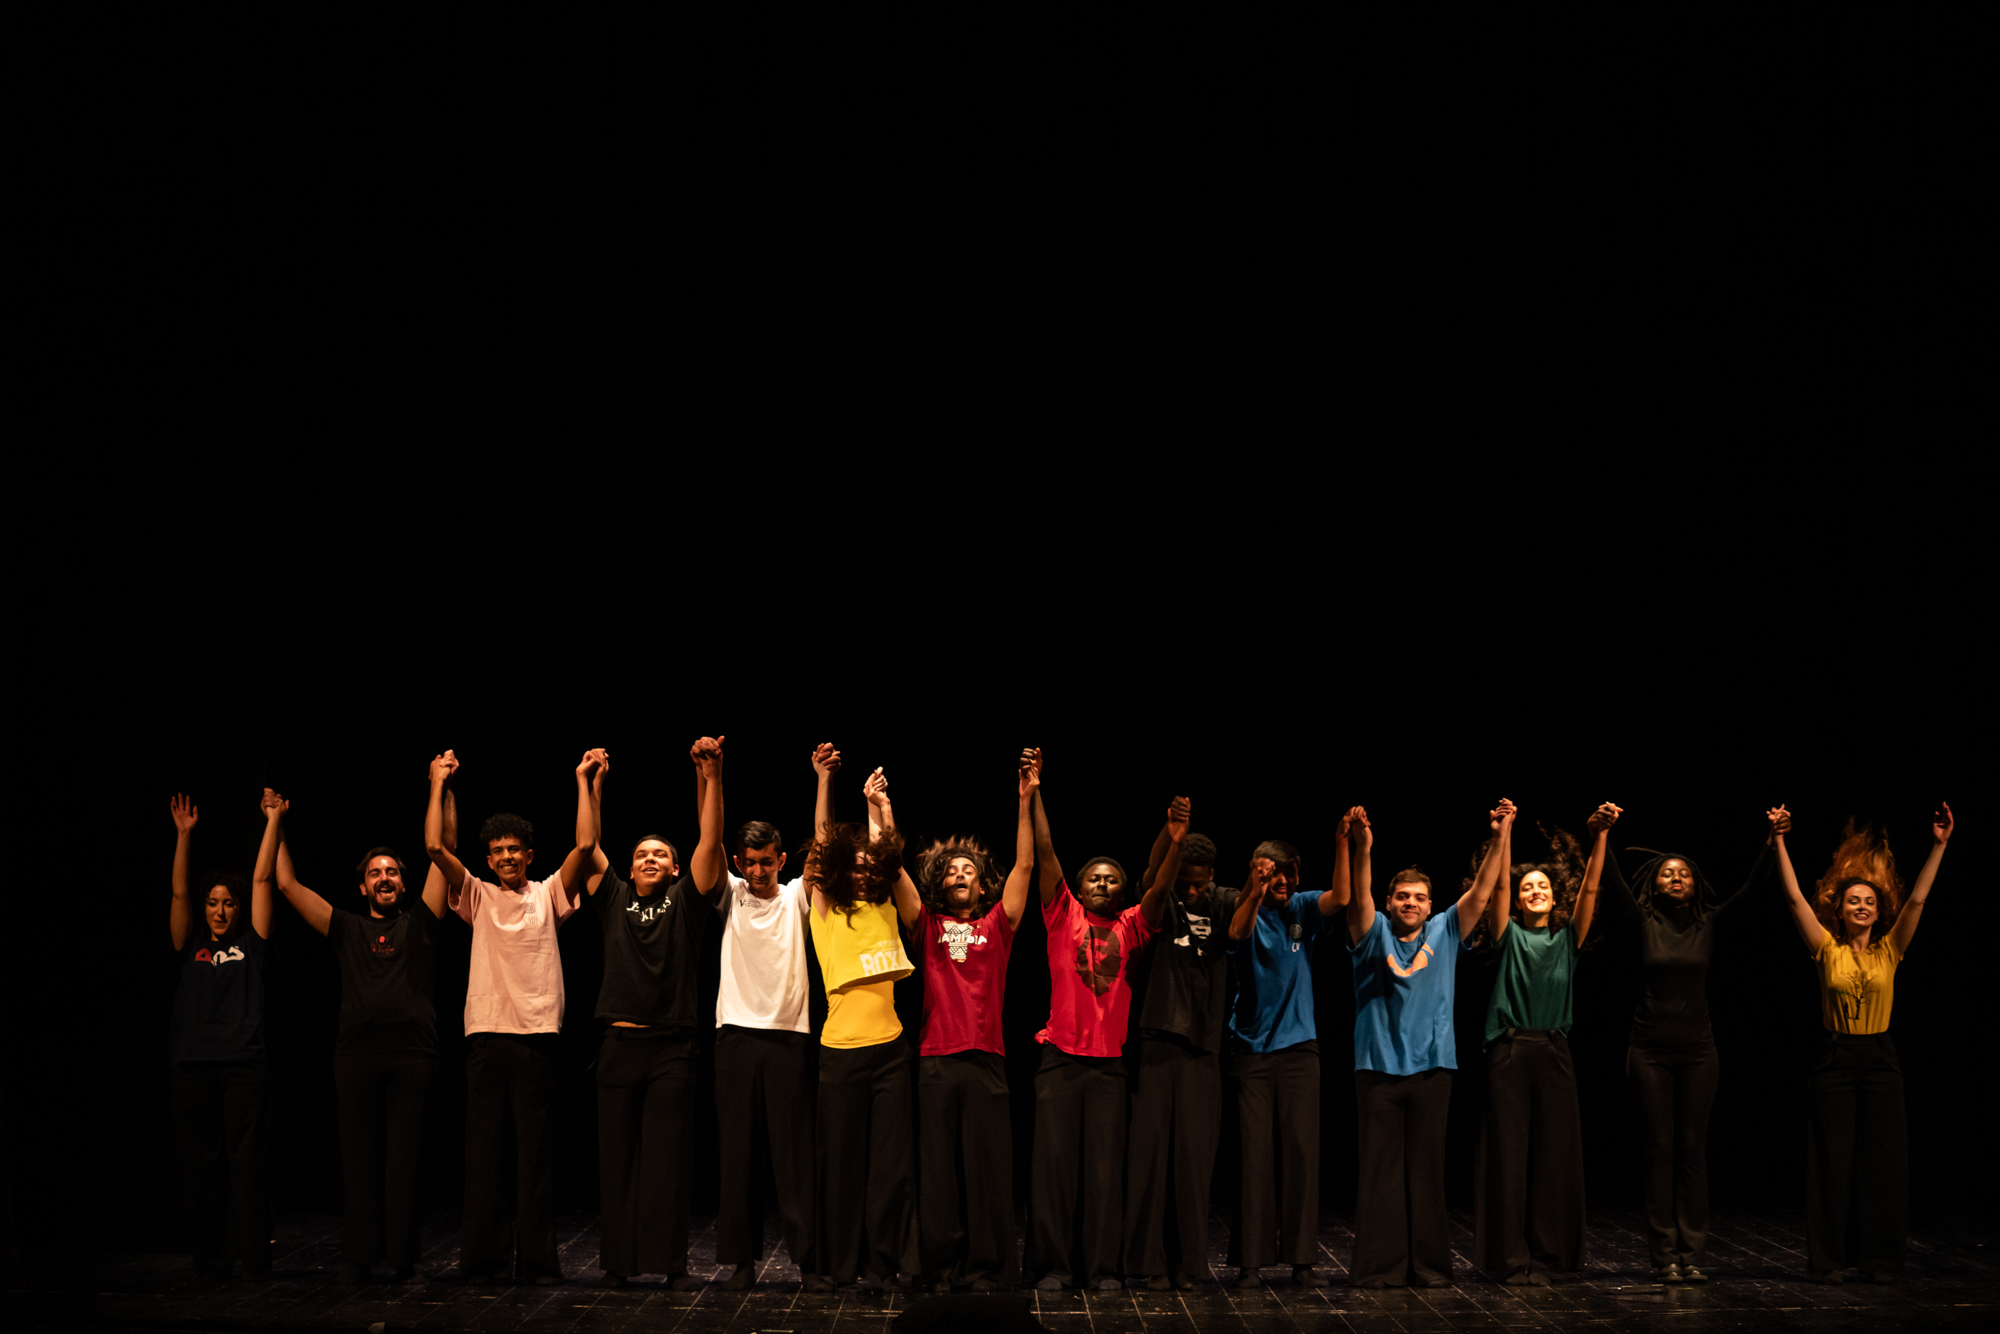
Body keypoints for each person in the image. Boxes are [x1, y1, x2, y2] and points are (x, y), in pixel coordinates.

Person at [267, 775, 455, 1284]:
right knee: (358, 1161)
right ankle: (360, 1256)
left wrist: (440, 787)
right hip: (356, 1057)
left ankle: (402, 1258)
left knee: (404, 1162)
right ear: (363, 886)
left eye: (392, 872)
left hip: (413, 1055)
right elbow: (287, 885)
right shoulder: (345, 926)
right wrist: (276, 823)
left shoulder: (421, 920)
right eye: (375, 873)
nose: (384, 878)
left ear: (404, 884)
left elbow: (445, 849)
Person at [425, 747, 600, 1286]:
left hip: (537, 1037)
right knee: (485, 1155)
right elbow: (434, 846)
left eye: (514, 849)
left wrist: (583, 781)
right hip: (485, 1036)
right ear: (489, 859)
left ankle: (539, 1263)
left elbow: (586, 846)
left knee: (535, 1157)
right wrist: (438, 784)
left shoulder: (548, 894)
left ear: (529, 854)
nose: (506, 857)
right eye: (498, 851)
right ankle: (485, 1261)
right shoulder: (476, 895)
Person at [1772, 801, 1952, 1284]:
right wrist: (1779, 841)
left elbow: (1918, 901)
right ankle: (1829, 1259)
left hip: (1879, 1060)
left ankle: (1880, 1259)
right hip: (1835, 1059)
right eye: (1853, 900)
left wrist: (1939, 846)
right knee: (1831, 1162)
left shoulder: (1890, 950)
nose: (1862, 906)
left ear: (1878, 910)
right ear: (1840, 909)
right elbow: (1793, 899)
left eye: (1869, 901)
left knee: (1883, 1163)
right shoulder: (1825, 949)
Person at [1597, 811, 1777, 1284]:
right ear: (1654, 886)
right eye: (1666, 873)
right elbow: (1611, 883)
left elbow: (1752, 891)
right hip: (1649, 1052)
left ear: (1695, 886)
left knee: (1693, 1149)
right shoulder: (1643, 922)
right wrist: (1602, 836)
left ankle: (1692, 1253)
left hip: (1699, 1052)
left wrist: (1772, 841)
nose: (1676, 878)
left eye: (1684, 873)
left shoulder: (1708, 923)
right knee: (1660, 1149)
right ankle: (1664, 1256)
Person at [1025, 754, 1179, 1293]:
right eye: (1094, 878)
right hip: (1059, 1061)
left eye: (1112, 880)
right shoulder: (1061, 913)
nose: (1102, 884)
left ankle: (1102, 1268)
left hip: (1109, 1068)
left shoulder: (1134, 926)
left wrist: (1175, 842)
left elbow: (1159, 890)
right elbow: (1046, 851)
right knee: (1054, 1172)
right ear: (1080, 885)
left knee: (1104, 1174)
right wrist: (1033, 792)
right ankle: (1053, 1266)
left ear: (1121, 890)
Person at [1345, 801, 1510, 1288]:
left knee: (1426, 1171)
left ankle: (1430, 1267)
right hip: (1377, 1069)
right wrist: (1363, 849)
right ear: (1389, 902)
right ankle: (1380, 1268)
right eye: (1401, 896)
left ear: (1430, 905)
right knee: (1381, 1173)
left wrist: (1500, 836)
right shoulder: (1371, 931)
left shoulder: (1446, 929)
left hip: (1433, 1069)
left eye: (1419, 897)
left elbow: (1482, 892)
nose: (1410, 903)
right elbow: (1358, 896)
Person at [581, 739, 726, 1289]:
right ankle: (618, 1265)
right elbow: (587, 845)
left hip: (672, 1050)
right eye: (642, 854)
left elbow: (709, 841)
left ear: (674, 867)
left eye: (660, 855)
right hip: (619, 1047)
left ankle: (670, 1264)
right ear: (631, 865)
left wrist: (712, 777)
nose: (649, 859)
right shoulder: (612, 897)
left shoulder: (688, 900)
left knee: (667, 1162)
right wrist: (590, 785)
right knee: (617, 1161)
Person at [899, 754, 1035, 1292]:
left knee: (986, 1171)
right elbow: (895, 873)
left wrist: (1026, 800)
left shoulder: (998, 923)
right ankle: (940, 1268)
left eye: (969, 871)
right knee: (937, 1171)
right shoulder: (927, 924)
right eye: (952, 870)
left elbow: (1025, 867)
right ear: (942, 883)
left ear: (982, 887)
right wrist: (880, 811)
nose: (960, 874)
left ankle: (987, 1267)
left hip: (985, 1062)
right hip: (935, 1061)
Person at [1470, 806, 1615, 1286]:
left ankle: (1549, 1257)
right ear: (1519, 899)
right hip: (1510, 1051)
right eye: (1528, 887)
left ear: (1555, 898)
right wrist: (1505, 832)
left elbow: (1590, 889)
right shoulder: (1507, 935)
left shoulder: (1567, 938)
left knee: (1554, 1157)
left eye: (1544, 887)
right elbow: (1499, 888)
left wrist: (1600, 837)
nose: (1535, 891)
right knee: (1510, 1157)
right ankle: (1510, 1259)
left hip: (1554, 1051)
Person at [805, 747, 918, 1291]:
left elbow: (887, 855)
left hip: (891, 1051)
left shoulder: (886, 907)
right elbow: (823, 844)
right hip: (840, 1055)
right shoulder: (826, 911)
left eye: (865, 862)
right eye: (851, 863)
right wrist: (824, 781)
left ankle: (881, 1265)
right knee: (842, 1166)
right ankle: (838, 1265)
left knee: (889, 1167)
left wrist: (881, 807)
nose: (861, 867)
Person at [708, 741, 819, 1291]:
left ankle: (809, 1261)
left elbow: (823, 846)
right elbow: (708, 839)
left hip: (787, 1038)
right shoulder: (729, 893)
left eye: (766, 861)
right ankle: (740, 1262)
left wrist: (823, 779)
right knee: (738, 1155)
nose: (757, 870)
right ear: (739, 862)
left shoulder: (797, 896)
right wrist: (712, 776)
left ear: (781, 860)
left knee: (793, 1155)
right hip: (734, 1036)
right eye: (749, 862)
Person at [1224, 820, 1350, 1289]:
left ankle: (1301, 1260)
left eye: (1290, 873)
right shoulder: (1246, 907)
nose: (1284, 881)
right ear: (1258, 873)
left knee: (1301, 1152)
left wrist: (1341, 844)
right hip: (1252, 1051)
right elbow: (1237, 933)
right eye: (1274, 873)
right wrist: (1254, 891)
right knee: (1254, 1156)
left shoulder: (1302, 907)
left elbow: (1340, 897)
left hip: (1300, 1049)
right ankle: (1251, 1262)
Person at [168, 792, 275, 1280]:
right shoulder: (188, 945)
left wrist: (272, 821)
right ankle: (210, 1257)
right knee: (202, 1166)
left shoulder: (251, 945)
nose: (220, 910)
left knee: (246, 1164)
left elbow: (262, 879)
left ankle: (253, 1260)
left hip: (242, 1065)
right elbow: (179, 895)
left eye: (228, 903)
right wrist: (183, 837)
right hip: (194, 1066)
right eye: (213, 903)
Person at [1124, 823, 1235, 1291]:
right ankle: (1149, 1263)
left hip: (1202, 1045)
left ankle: (1189, 1265)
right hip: (1155, 1039)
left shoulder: (1222, 900)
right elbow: (1155, 876)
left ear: (1212, 877)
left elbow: (1242, 924)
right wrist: (1171, 842)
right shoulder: (1161, 899)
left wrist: (1256, 884)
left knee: (1193, 1162)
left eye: (1199, 882)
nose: (1191, 889)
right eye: (1185, 880)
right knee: (1150, 1159)